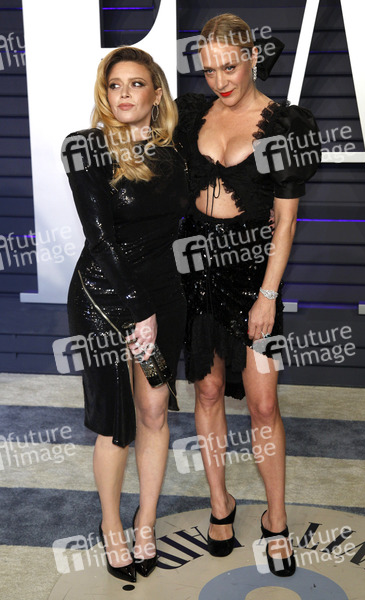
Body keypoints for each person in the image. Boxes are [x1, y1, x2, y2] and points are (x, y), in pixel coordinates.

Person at [175, 13, 320, 576]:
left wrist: (268, 295)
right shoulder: (192, 115)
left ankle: (276, 519)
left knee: (263, 404)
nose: (219, 80)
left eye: (229, 67)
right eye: (209, 70)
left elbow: (286, 224)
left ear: (253, 56)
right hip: (195, 270)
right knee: (208, 392)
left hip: (253, 276)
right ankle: (220, 505)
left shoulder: (284, 123)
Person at [62, 46, 187, 582]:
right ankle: (111, 526)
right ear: (104, 94)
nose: (124, 94)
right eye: (115, 85)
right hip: (104, 298)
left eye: (136, 84)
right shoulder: (85, 148)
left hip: (163, 294)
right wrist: (138, 309)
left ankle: (145, 523)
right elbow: (100, 238)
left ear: (156, 92)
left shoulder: (174, 153)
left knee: (154, 411)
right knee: (116, 424)